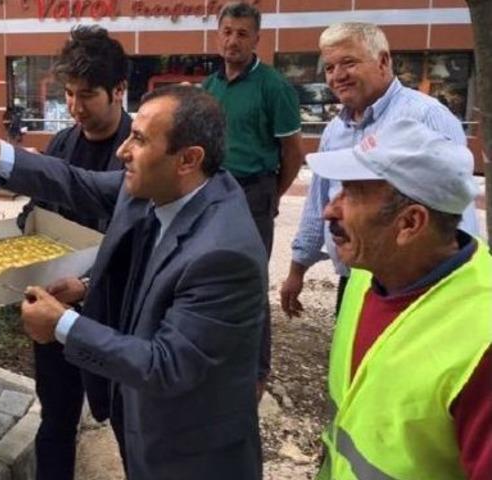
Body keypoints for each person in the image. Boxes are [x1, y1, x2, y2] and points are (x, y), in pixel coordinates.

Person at [0, 85, 266, 479]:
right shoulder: (158, 189)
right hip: (144, 423)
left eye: (140, 140)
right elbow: (79, 183)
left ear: (188, 159)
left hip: (191, 453)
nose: (122, 151)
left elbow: (165, 365)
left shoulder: (222, 254)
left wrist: (62, 325)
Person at [304, 118, 490, 479]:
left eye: (353, 194)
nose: (330, 209)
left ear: (410, 224)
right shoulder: (368, 271)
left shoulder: (482, 340)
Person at [280, 22, 480, 318]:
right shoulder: (335, 130)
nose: (337, 76)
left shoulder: (426, 117)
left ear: (383, 61)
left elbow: (453, 214)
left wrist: (448, 295)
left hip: (417, 289)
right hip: (357, 280)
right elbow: (317, 204)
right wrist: (297, 270)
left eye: (348, 63)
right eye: (330, 67)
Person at [12, 25, 131, 480]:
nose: (76, 108)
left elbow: (137, 243)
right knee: (56, 421)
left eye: (88, 95)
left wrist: (86, 285)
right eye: (69, 94)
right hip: (54, 309)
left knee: (123, 422)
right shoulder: (63, 143)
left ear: (119, 90)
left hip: (110, 319)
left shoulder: (138, 150)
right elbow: (39, 208)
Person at [202, 2, 304, 392]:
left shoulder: (274, 87)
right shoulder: (209, 89)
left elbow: (293, 153)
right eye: (227, 32)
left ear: (257, 39)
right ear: (218, 35)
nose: (233, 40)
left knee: (250, 280)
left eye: (242, 33)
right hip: (212, 192)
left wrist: (272, 195)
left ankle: (257, 371)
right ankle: (217, 352)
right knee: (209, 271)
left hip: (254, 191)